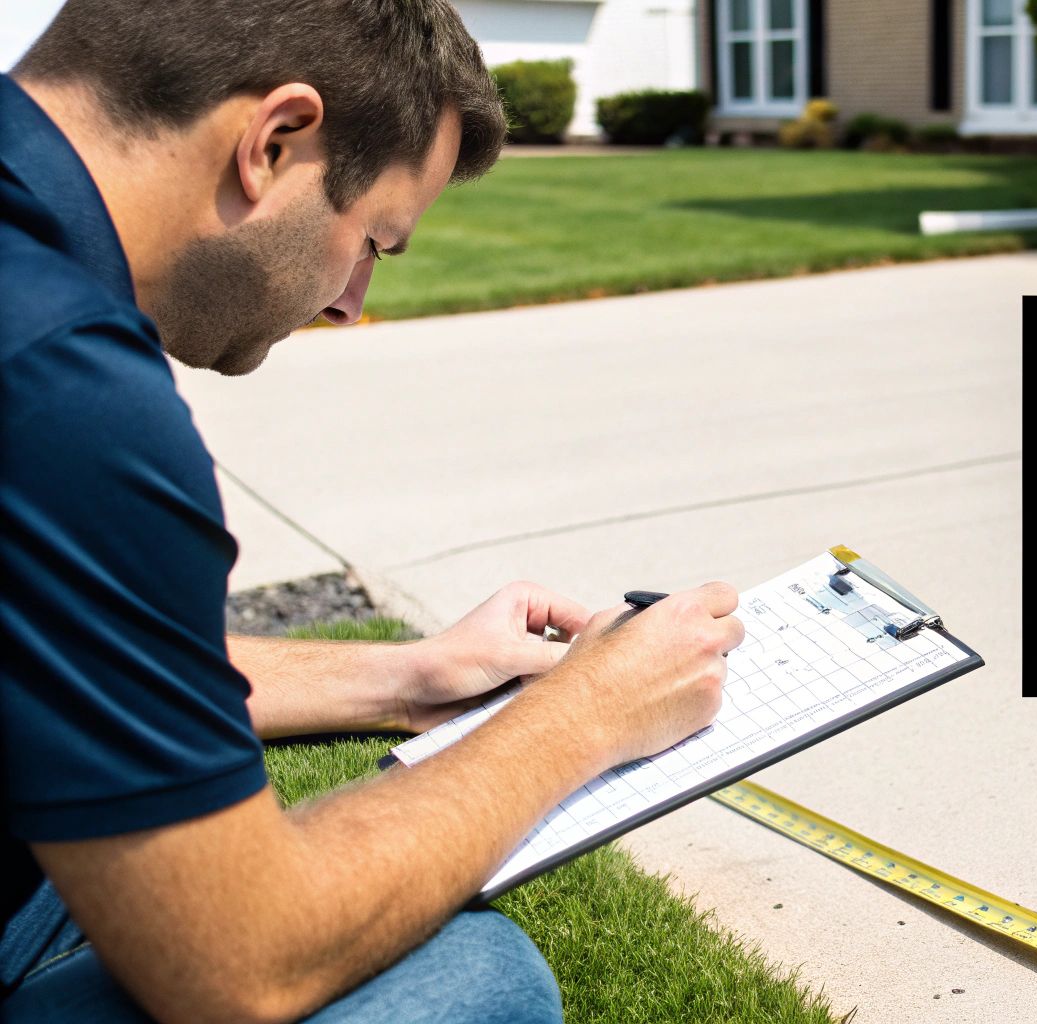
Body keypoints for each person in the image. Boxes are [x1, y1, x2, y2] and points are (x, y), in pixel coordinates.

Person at [0, 2, 744, 1020]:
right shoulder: (65, 389)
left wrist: (406, 675)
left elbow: (57, 644)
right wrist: (584, 714)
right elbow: (240, 962)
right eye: (373, 240)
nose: (352, 301)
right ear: (273, 143)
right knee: (476, 977)